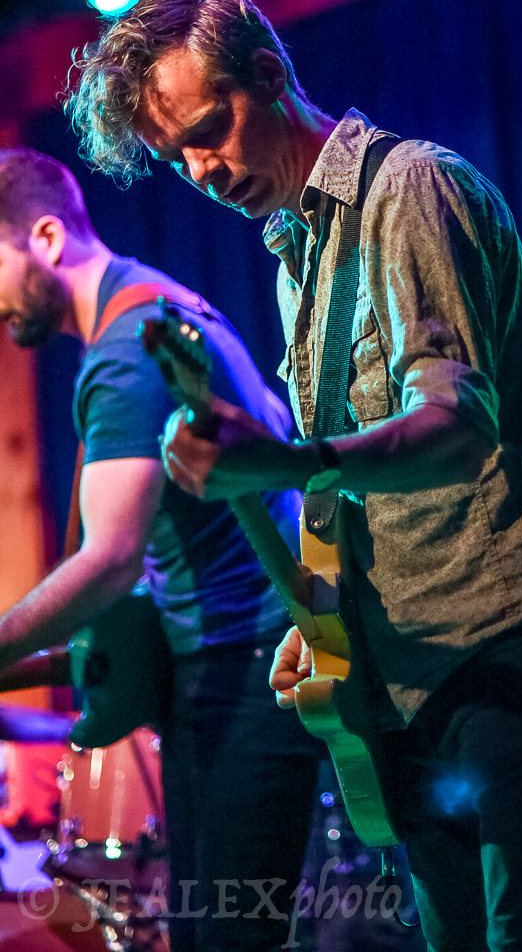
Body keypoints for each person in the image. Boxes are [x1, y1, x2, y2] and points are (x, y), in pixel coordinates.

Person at [66, 0, 522, 952]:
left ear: (268, 74)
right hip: (405, 668)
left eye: (208, 131)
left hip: (510, 637)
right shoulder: (297, 261)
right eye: (178, 158)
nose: (202, 171)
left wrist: (287, 459)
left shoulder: (410, 188)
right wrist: (328, 618)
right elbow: (353, 491)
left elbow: (457, 427)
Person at [0, 146, 322, 952]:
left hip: (243, 671)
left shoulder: (125, 352)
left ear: (46, 238)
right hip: (245, 662)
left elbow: (110, 561)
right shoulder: (160, 306)